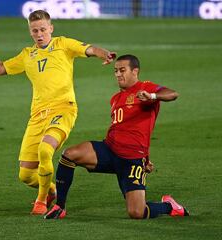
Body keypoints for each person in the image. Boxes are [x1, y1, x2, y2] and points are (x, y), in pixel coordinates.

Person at [0, 10, 116, 215]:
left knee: (45, 149)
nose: (39, 34)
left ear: (51, 28)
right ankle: (51, 190)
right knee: (25, 174)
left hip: (64, 108)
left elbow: (90, 49)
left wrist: (105, 53)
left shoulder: (63, 44)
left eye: (42, 29)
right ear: (30, 32)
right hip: (38, 116)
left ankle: (40, 202)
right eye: (35, 31)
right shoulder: (27, 55)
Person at [45, 54, 189, 220]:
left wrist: (153, 96)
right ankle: (60, 206)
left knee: (137, 212)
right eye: (115, 71)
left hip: (132, 160)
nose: (118, 74)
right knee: (69, 155)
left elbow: (172, 94)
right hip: (109, 150)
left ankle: (169, 206)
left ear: (135, 71)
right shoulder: (115, 99)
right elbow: (131, 130)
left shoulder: (145, 88)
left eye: (122, 70)